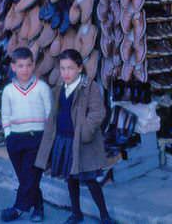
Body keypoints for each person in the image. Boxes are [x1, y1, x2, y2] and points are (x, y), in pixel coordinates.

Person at [35, 49, 114, 224]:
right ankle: (76, 213)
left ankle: (104, 216)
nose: (65, 73)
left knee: (90, 180)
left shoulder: (89, 87)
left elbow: (98, 112)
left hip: (82, 142)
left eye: (70, 68)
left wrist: (85, 131)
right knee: (71, 178)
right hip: (64, 141)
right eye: (62, 69)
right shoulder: (59, 89)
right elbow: (55, 115)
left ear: (79, 68)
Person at [0, 47, 52, 223]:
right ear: (13, 67)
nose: (25, 70)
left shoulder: (42, 88)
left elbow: (49, 114)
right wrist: (8, 135)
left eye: (28, 65)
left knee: (30, 176)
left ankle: (18, 208)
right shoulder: (8, 90)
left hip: (36, 137)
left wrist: (47, 139)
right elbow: (5, 115)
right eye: (20, 66)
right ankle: (38, 206)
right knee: (26, 178)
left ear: (34, 66)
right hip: (15, 139)